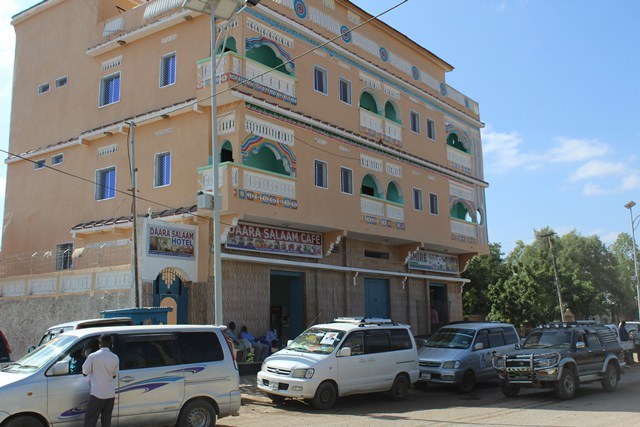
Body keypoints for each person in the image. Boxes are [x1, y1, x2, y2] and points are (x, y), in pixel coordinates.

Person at [82, 334, 119, 427]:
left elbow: (85, 372)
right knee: (106, 421)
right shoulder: (115, 357)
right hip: (110, 394)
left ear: (99, 343)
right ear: (110, 343)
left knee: (90, 420)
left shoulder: (93, 356)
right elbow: (114, 375)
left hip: (97, 393)